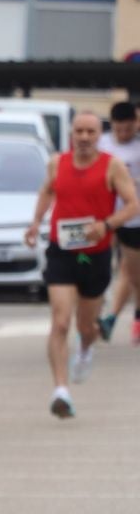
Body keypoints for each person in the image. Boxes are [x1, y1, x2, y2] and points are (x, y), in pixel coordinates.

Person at [25, 110, 138, 417]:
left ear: (98, 135)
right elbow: (47, 191)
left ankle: (86, 348)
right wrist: (36, 222)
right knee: (60, 320)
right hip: (61, 250)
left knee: (85, 326)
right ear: (71, 134)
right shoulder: (56, 163)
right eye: (80, 132)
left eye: (91, 132)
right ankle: (60, 390)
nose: (85, 138)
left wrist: (107, 224)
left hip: (94, 253)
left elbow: (133, 204)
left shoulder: (111, 166)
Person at [97, 101, 140, 343]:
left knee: (131, 273)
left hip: (132, 220)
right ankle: (104, 314)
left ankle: (118, 317)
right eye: (119, 129)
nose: (123, 134)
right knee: (91, 262)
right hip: (101, 217)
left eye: (128, 129)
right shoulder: (101, 144)